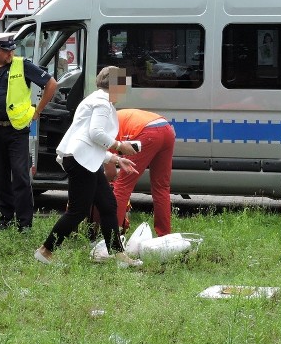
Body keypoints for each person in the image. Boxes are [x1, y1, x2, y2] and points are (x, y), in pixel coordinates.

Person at [34, 66, 142, 268]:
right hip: (80, 161)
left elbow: (89, 141)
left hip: (84, 159)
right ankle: (46, 250)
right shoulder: (101, 102)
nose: (125, 91)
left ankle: (118, 255)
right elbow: (95, 134)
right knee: (78, 210)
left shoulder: (100, 100)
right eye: (123, 86)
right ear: (113, 85)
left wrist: (116, 159)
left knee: (108, 205)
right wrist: (120, 147)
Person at [0, 32, 57, 232]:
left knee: (20, 175)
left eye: (12, 49)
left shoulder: (22, 65)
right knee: (0, 176)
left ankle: (25, 223)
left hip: (18, 129)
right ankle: (5, 219)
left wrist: (38, 111)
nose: (10, 53)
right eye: (6, 50)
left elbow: (51, 84)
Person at [111, 109, 176, 237]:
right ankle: (164, 237)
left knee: (122, 186)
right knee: (162, 187)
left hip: (147, 132)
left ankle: (113, 238)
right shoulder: (112, 118)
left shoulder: (101, 133)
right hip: (166, 128)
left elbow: (110, 173)